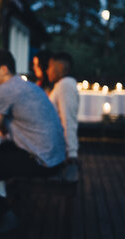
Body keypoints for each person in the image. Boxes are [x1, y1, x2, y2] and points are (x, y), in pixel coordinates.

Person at [0, 49, 66, 232]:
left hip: (41, 160)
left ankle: (4, 215)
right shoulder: (25, 85)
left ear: (4, 69)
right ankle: (0, 201)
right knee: (0, 151)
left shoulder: (4, 90)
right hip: (55, 156)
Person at [47, 52, 80, 182]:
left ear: (60, 67)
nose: (47, 70)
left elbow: (68, 119)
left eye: (50, 66)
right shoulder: (61, 85)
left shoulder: (66, 85)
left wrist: (71, 152)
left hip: (60, 150)